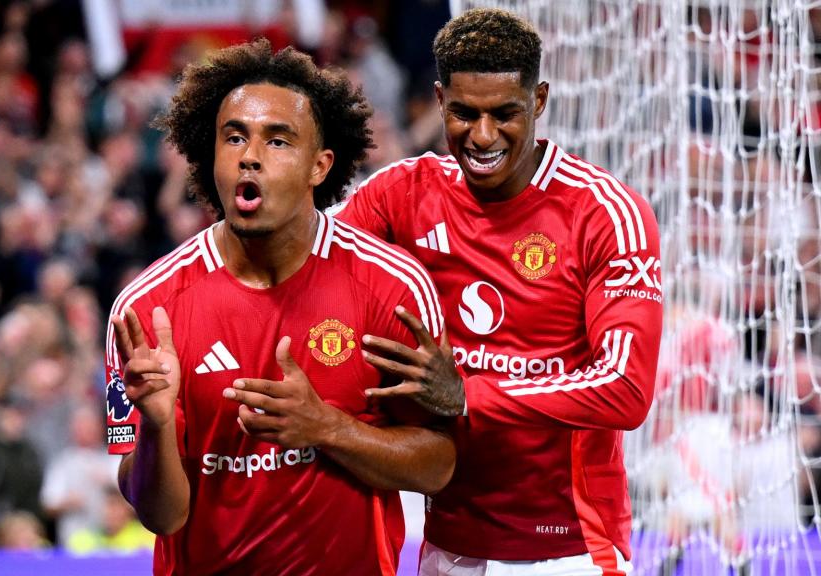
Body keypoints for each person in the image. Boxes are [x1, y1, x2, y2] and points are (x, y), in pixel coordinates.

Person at [104, 39, 455, 575]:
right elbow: (163, 518)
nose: (250, 155)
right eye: (235, 137)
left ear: (320, 166)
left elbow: (438, 468)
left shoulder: (393, 287)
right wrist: (154, 428)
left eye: (278, 140)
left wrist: (326, 428)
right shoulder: (144, 309)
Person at [333, 8, 663, 576]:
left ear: (538, 101)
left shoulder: (606, 213)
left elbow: (626, 391)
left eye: (504, 113)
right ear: (439, 101)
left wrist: (468, 396)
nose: (482, 136)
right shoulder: (400, 195)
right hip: (447, 543)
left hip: (569, 551)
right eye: (464, 113)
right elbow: (308, 260)